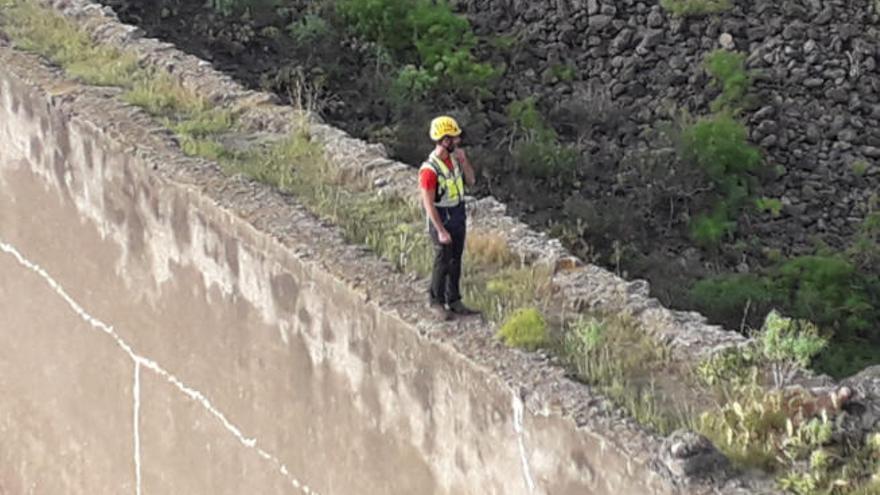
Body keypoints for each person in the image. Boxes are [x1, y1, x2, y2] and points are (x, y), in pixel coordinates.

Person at [419, 116, 480, 321]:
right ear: (445, 140)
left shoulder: (455, 161)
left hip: (457, 213)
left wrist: (464, 162)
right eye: (454, 138)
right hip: (441, 217)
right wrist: (441, 230)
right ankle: (435, 301)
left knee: (455, 260)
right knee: (442, 261)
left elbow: (471, 180)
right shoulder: (430, 170)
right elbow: (428, 203)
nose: (458, 141)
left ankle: (453, 300)